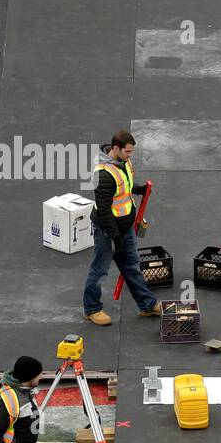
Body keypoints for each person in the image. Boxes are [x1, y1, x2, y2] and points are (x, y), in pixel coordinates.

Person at [83, 130, 162, 324]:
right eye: (127, 152)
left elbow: (124, 186)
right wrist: (115, 236)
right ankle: (92, 309)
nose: (129, 155)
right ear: (116, 148)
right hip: (107, 231)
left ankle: (147, 304)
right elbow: (103, 210)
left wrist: (138, 189)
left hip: (125, 227)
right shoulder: (102, 173)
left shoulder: (123, 162)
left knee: (132, 266)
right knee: (100, 269)